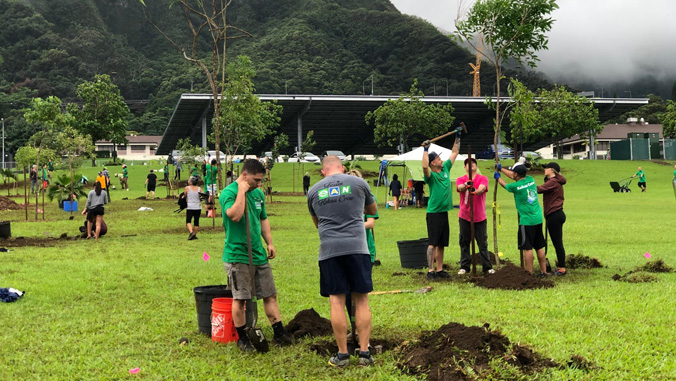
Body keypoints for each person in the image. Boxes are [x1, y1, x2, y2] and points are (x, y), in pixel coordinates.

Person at [307, 156, 377, 367]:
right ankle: (364, 354)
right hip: (357, 248)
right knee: (362, 300)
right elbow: (373, 211)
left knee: (336, 301)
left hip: (330, 251)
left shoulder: (313, 192)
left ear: (323, 171)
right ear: (343, 168)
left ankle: (343, 355)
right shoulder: (358, 183)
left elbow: (317, 224)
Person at [220, 159, 293, 352]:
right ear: (245, 175)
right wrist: (242, 192)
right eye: (256, 180)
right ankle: (242, 338)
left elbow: (263, 219)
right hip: (238, 255)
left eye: (262, 181)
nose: (259, 184)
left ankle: (279, 332)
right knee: (241, 298)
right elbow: (234, 216)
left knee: (270, 294)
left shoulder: (259, 194)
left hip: (258, 254)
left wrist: (269, 242)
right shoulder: (228, 193)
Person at [495, 164, 548, 275]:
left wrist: (498, 177)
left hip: (526, 221)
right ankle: (544, 271)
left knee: (527, 248)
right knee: (539, 246)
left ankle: (529, 273)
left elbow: (505, 185)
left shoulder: (516, 187)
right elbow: (513, 176)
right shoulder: (531, 179)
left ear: (516, 174)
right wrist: (501, 169)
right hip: (538, 218)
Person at [421, 134, 460, 280]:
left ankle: (439, 269)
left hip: (444, 212)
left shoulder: (446, 169)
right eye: (438, 158)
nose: (441, 160)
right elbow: (424, 166)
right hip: (434, 213)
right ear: (432, 163)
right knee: (433, 243)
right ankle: (430, 270)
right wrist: (425, 149)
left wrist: (458, 136)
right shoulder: (430, 176)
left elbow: (454, 152)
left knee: (442, 243)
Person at [456, 157, 493, 275]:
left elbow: (482, 189)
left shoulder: (483, 178)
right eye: (468, 164)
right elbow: (460, 188)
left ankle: (487, 267)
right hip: (465, 215)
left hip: (479, 216)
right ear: (465, 167)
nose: (470, 165)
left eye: (473, 163)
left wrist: (474, 191)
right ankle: (465, 266)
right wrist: (466, 185)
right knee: (464, 241)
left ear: (476, 167)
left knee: (482, 242)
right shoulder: (461, 179)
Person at [537, 162, 568, 276]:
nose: (545, 170)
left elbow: (539, 189)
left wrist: (525, 186)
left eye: (547, 168)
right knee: (557, 242)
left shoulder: (553, 182)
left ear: (552, 170)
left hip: (554, 214)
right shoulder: (553, 181)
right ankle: (561, 266)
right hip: (556, 214)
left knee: (557, 243)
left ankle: (561, 268)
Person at [185, 176, 204, 240]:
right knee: (196, 221)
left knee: (188, 221)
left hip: (190, 206)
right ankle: (194, 235)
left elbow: (185, 195)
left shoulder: (187, 188)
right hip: (198, 207)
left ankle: (191, 233)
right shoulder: (199, 188)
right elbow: (203, 195)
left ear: (191, 182)